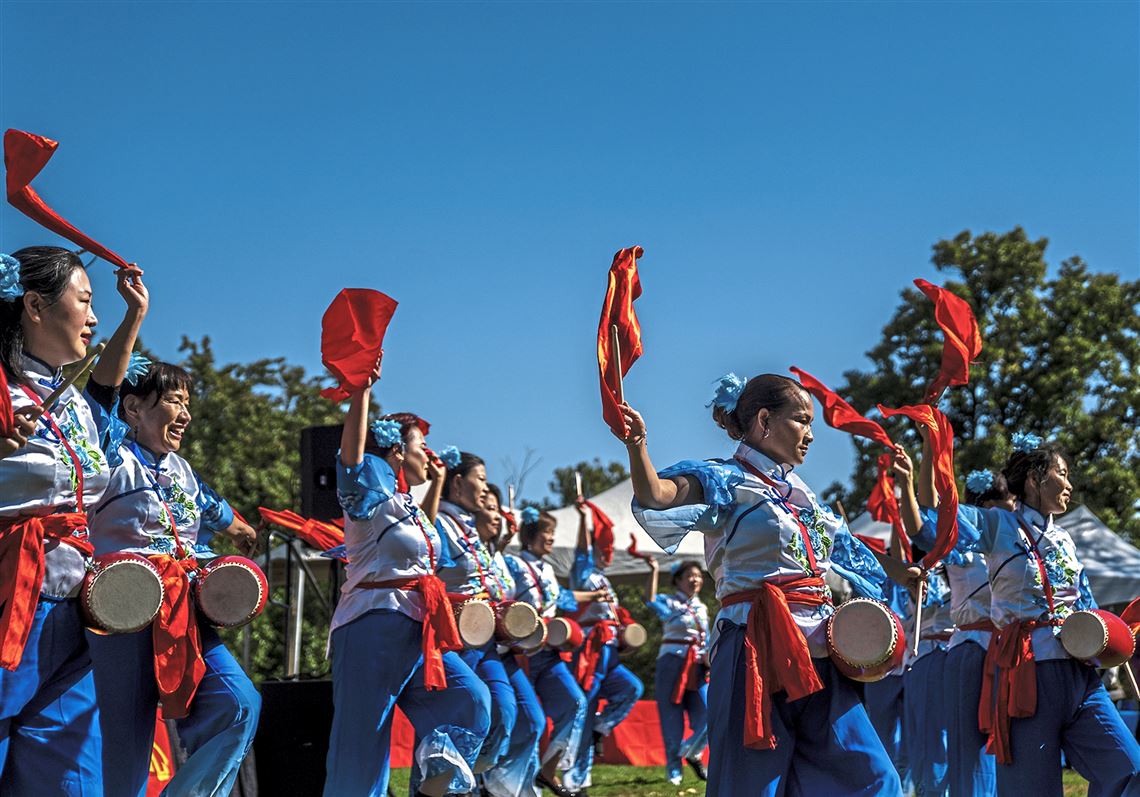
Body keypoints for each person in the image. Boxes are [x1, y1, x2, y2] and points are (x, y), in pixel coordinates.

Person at [623, 373, 914, 797]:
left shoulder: (802, 494)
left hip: (821, 648)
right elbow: (658, 495)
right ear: (764, 421)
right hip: (754, 647)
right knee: (753, 784)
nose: (812, 435)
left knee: (873, 778)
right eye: (802, 420)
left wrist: (902, 573)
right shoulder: (724, 480)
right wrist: (637, 445)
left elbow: (846, 549)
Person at [0, 247, 143, 794]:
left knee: (71, 781)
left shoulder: (73, 404)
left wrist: (135, 317)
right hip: (9, 600)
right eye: (84, 301)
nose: (93, 316)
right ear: (34, 305)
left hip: (69, 613)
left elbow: (105, 393)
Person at [85, 358, 262, 797]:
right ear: (132, 409)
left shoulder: (180, 470)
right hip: (122, 613)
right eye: (173, 401)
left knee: (240, 704)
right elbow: (97, 403)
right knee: (125, 748)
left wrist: (237, 527)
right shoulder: (109, 456)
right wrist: (133, 319)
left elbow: (210, 504)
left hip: (183, 611)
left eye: (187, 403)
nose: (185, 414)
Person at [936, 432, 1140, 795]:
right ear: (1035, 479)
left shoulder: (1065, 539)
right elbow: (934, 524)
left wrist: (1111, 640)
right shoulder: (999, 525)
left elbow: (1086, 602)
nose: (1069, 484)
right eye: (1062, 473)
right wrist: (926, 460)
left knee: (1128, 766)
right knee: (1032, 790)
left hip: (1080, 674)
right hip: (1027, 674)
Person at [323, 371, 490, 797]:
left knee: (471, 700)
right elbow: (351, 457)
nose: (429, 453)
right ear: (396, 451)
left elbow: (432, 564)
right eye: (421, 445)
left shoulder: (409, 508)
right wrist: (361, 392)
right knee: (360, 755)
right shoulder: (367, 500)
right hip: (371, 627)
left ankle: (431, 781)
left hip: (419, 632)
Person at [506, 508, 603, 797]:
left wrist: (596, 596)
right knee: (522, 721)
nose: (552, 538)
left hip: (547, 654)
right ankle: (500, 783)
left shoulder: (548, 569)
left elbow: (564, 597)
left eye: (552, 532)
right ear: (530, 536)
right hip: (518, 654)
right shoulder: (513, 563)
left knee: (575, 703)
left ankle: (548, 771)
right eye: (547, 532)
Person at [436, 452, 519, 777]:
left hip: (485, 638)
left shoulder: (470, 527)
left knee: (505, 710)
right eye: (481, 479)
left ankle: (473, 779)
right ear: (457, 483)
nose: (486, 488)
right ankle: (437, 785)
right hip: (458, 637)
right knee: (457, 717)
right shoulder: (441, 522)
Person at [562, 498, 645, 795]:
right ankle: (575, 782)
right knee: (582, 714)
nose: (607, 551)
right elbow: (581, 549)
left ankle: (602, 728)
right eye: (603, 545)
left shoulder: (604, 579)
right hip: (590, 651)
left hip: (609, 652)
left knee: (631, 688)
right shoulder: (583, 573)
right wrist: (585, 519)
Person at [475, 486, 547, 797]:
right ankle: (474, 783)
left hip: (503, 651)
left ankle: (500, 787)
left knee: (532, 721)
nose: (497, 515)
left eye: (497, 508)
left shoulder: (501, 559)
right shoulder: (465, 552)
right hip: (472, 648)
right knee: (493, 715)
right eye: (487, 507)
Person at [644, 558, 710, 785]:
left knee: (711, 712)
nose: (696, 579)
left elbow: (707, 639)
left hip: (698, 665)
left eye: (699, 576)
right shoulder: (670, 603)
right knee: (671, 716)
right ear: (678, 581)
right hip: (672, 662)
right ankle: (674, 769)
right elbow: (650, 601)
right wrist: (653, 570)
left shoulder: (702, 607)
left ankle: (693, 751)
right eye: (690, 576)